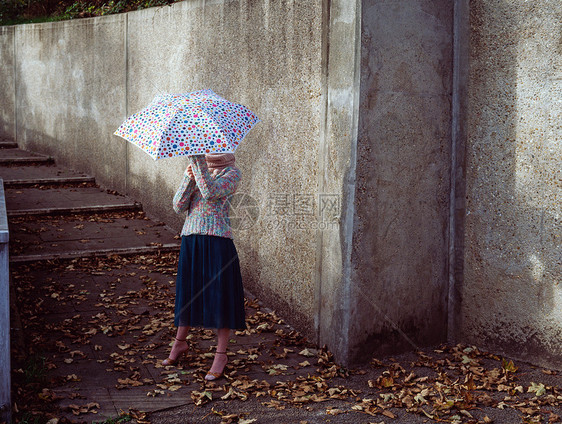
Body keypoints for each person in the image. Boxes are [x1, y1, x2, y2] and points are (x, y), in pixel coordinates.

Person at [162, 153, 246, 381]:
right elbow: (178, 205)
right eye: (207, 148)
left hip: (218, 241)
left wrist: (195, 163)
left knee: (220, 298)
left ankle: (221, 355)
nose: (212, 151)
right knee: (188, 294)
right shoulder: (196, 169)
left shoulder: (232, 173)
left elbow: (210, 193)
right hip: (191, 239)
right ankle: (179, 344)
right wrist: (188, 177)